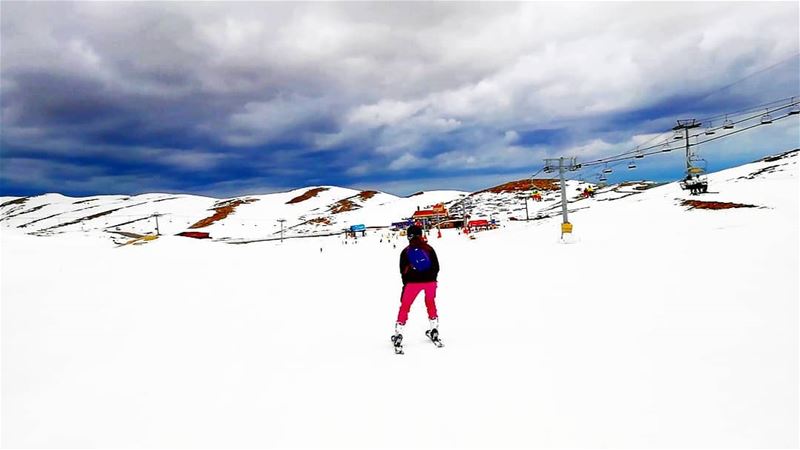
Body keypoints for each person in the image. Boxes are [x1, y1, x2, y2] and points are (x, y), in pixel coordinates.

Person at [392, 225, 440, 347]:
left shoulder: (406, 251)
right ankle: (434, 329)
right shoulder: (429, 249)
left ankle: (399, 333)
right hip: (430, 282)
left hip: (412, 283)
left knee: (405, 306)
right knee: (430, 303)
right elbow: (437, 267)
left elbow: (402, 271)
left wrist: (407, 284)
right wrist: (432, 279)